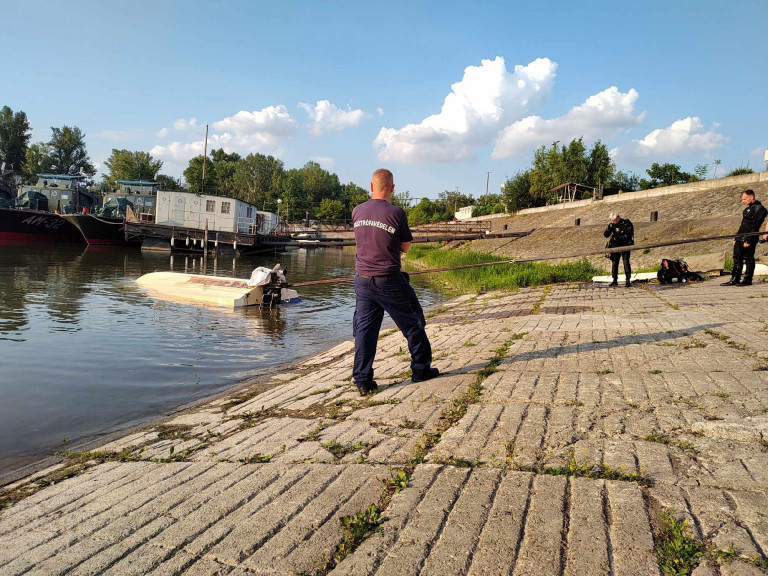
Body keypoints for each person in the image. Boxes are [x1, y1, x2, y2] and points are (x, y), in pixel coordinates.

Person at [351, 169, 439, 396]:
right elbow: (405, 247)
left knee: (365, 331)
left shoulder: (357, 211)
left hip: (362, 280)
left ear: (371, 187)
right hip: (389, 280)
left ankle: (362, 380)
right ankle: (420, 369)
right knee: (413, 321)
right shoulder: (396, 213)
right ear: (392, 189)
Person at [721, 189, 768, 287]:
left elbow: (755, 225)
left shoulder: (760, 209)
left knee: (748, 258)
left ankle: (747, 279)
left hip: (750, 237)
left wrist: (748, 239)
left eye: (745, 199)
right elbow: (743, 225)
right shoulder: (746, 210)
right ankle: (735, 278)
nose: (743, 201)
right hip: (740, 236)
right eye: (742, 199)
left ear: (751, 197)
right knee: (737, 258)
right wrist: (736, 238)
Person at [603, 211, 634, 287]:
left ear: (618, 218)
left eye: (614, 220)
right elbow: (605, 235)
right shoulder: (611, 225)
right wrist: (608, 229)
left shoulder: (626, 223)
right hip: (615, 246)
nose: (613, 222)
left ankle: (627, 280)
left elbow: (629, 235)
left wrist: (619, 238)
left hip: (625, 245)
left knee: (626, 262)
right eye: (611, 220)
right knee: (614, 263)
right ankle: (614, 280)